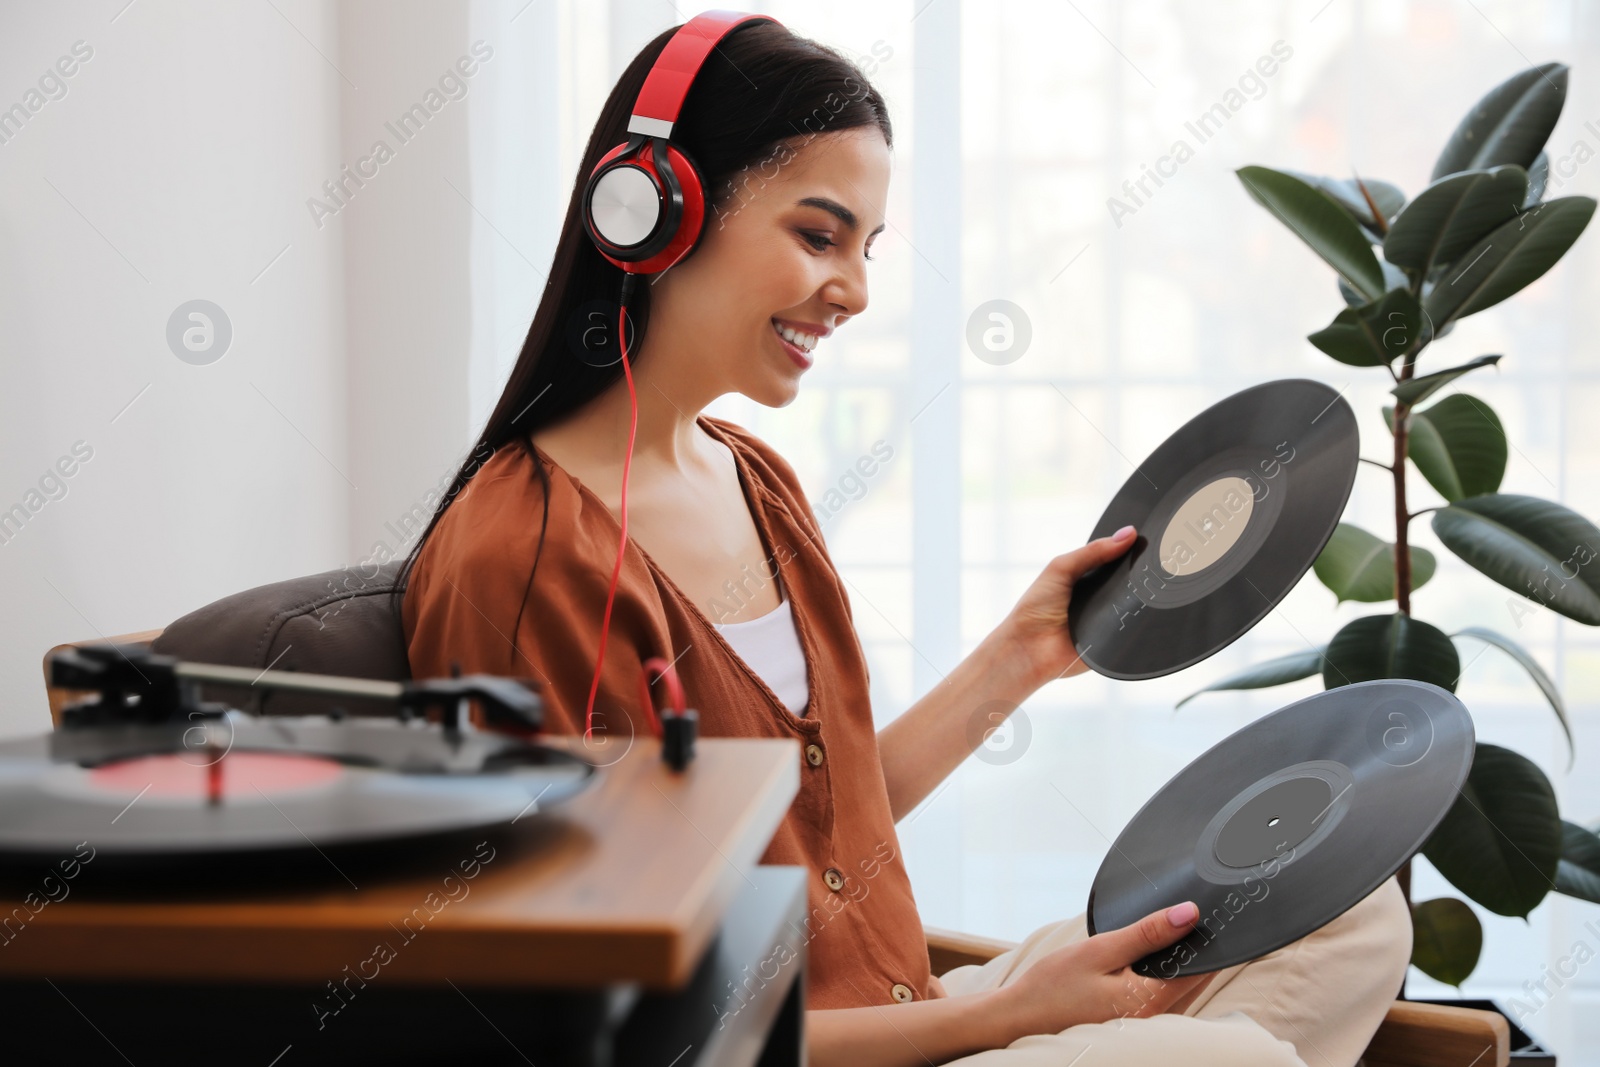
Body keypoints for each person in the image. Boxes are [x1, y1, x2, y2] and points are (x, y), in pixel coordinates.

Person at [398, 16, 1412, 1067]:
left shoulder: (756, 479)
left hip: (901, 1003)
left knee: (1351, 904)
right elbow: (612, 1028)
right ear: (654, 211)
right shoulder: (523, 556)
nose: (856, 289)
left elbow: (822, 822)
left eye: (867, 248)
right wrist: (1011, 1018)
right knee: (1224, 1056)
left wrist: (1018, 660)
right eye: (817, 234)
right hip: (793, 1046)